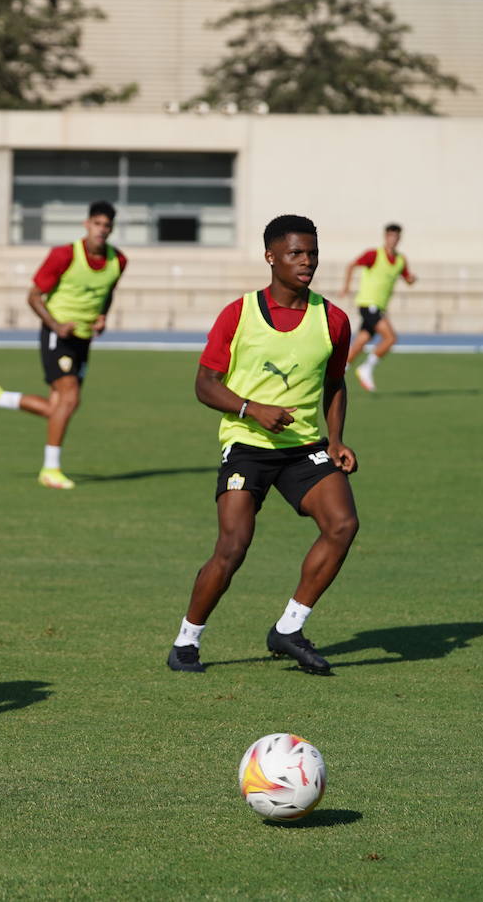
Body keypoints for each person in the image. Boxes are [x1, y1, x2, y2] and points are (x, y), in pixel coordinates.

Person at [166, 214, 359, 676]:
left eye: (312, 253)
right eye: (296, 253)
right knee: (233, 546)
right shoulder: (239, 314)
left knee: (342, 525)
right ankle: (186, 641)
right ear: (271, 256)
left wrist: (335, 440)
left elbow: (335, 383)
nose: (307, 261)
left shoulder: (333, 319)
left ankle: (289, 628)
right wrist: (251, 409)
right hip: (247, 443)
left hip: (303, 447)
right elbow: (205, 385)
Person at [0, 200, 127, 489]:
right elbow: (34, 296)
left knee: (58, 407)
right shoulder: (64, 255)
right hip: (57, 335)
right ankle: (50, 470)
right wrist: (56, 325)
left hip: (83, 339)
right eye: (97, 224)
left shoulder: (118, 261)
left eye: (107, 225)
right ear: (86, 224)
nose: (102, 230)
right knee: (69, 399)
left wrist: (103, 316)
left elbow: (108, 291)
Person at [340, 222, 415, 392]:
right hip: (368, 304)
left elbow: (408, 279)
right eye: (390, 236)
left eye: (396, 237)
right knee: (390, 338)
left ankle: (338, 372)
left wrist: (412, 279)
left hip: (380, 307)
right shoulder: (374, 255)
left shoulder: (400, 260)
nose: (393, 240)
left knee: (360, 343)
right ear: (385, 237)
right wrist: (346, 287)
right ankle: (366, 368)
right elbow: (351, 265)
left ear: (399, 239)